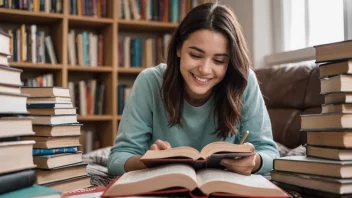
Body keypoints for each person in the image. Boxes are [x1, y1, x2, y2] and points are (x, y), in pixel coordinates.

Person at [108, 2, 279, 176]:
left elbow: (270, 154)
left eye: (219, 61)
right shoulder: (150, 81)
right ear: (178, 48)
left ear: (230, 62)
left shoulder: (243, 81)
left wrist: (255, 161)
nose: (204, 69)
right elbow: (118, 158)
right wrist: (147, 161)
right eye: (196, 55)